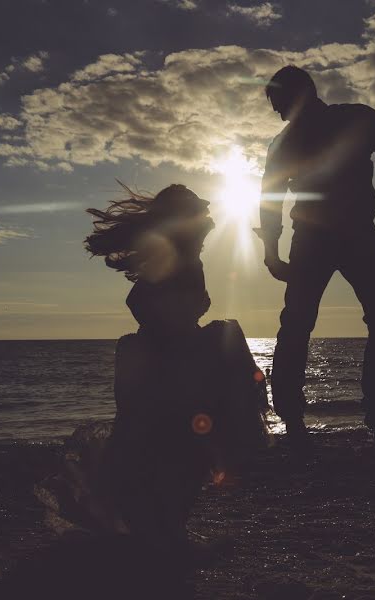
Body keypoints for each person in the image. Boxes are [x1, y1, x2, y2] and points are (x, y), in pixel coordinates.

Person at [255, 66, 375, 452]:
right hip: (314, 238)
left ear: (303, 92)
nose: (277, 114)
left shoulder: (358, 118)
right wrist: (271, 250)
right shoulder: (285, 142)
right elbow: (270, 198)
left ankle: (373, 413)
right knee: (298, 324)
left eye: (280, 104)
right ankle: (294, 418)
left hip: (356, 234)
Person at [77, 183, 266, 558]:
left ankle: (167, 531)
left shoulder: (181, 255)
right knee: (179, 449)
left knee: (183, 450)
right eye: (199, 225)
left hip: (173, 358)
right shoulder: (175, 257)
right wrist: (176, 324)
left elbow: (145, 300)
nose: (205, 232)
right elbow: (140, 302)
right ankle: (167, 533)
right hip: (169, 363)